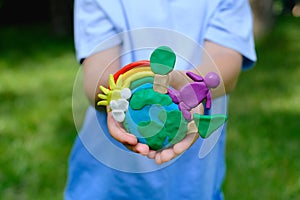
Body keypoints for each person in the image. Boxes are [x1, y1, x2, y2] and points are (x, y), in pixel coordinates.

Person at [65, 0, 257, 199]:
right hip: (108, 181)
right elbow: (97, 73)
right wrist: (125, 93)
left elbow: (225, 59)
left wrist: (187, 87)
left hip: (192, 177)